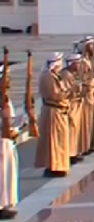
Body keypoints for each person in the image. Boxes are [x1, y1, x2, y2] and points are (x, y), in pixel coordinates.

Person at [35, 52, 71, 177]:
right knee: (54, 141)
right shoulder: (48, 77)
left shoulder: (54, 75)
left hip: (58, 111)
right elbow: (55, 95)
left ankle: (59, 165)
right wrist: (68, 92)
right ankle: (54, 166)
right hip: (53, 111)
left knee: (60, 140)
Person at [0, 65, 23, 220]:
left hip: (7, 140)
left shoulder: (5, 97)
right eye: (6, 78)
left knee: (7, 174)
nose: (9, 81)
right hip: (2, 140)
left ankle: (4, 204)